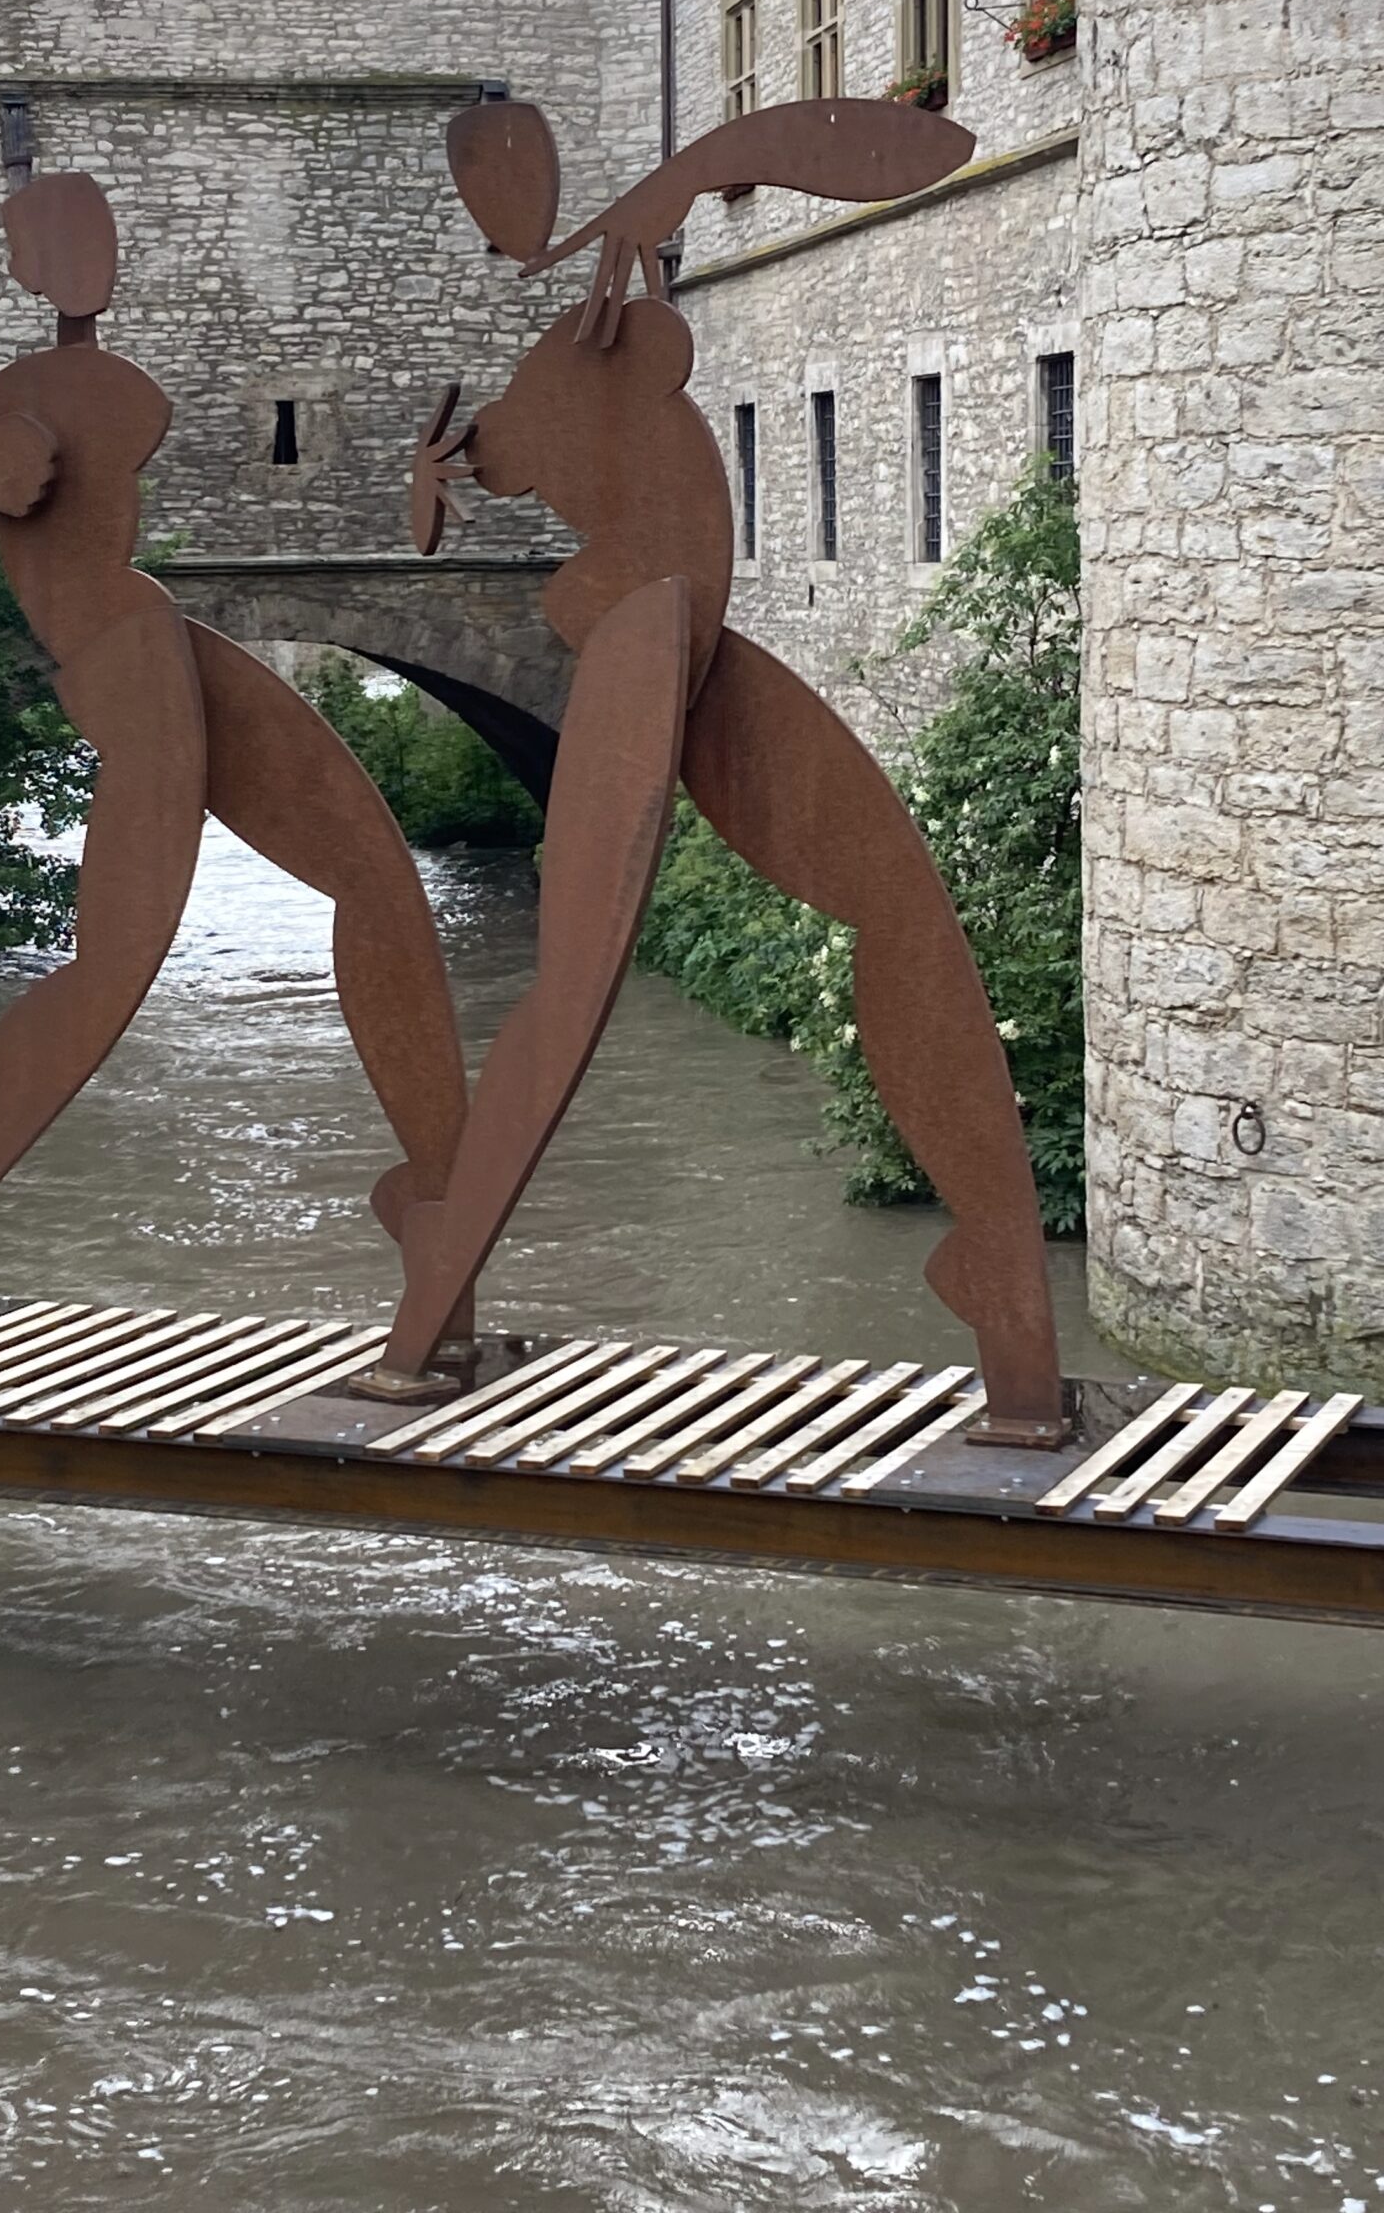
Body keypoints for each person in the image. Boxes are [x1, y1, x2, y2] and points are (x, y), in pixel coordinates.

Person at [377, 98, 1066, 1446]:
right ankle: (431, 1291)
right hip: (642, 647)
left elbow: (761, 204)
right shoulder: (557, 361)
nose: (522, 219)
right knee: (571, 989)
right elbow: (473, 470)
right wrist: (431, 479)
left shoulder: (618, 290)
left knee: (902, 909)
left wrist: (683, 189)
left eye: (520, 185)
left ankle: (1002, 1298)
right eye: (496, 198)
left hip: (693, 646)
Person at [0, 172, 469, 1358]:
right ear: (26, 265)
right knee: (113, 973)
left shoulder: (57, 394)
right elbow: (4, 432)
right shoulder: (24, 406)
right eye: (64, 240)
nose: (96, 259)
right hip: (130, 667)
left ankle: (440, 1216)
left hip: (158, 638)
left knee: (380, 879)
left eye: (102, 235)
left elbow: (92, 420)